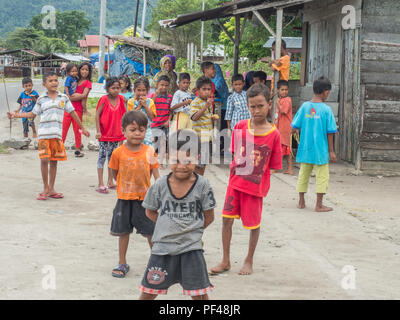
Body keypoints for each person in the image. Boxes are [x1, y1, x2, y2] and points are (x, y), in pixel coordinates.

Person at [210, 83, 282, 276]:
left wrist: (259, 178)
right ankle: (225, 260)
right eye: (252, 106)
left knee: (253, 225)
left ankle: (249, 259)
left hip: (255, 189)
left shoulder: (274, 134)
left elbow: (274, 165)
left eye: (260, 105)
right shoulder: (240, 127)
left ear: (269, 104)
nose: (256, 110)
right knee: (226, 220)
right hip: (235, 184)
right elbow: (235, 155)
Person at [139, 129, 215, 300]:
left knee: (199, 293)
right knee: (149, 290)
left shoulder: (203, 185)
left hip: (191, 248)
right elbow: (150, 211)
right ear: (167, 157)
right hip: (162, 248)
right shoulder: (159, 185)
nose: (181, 166)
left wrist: (191, 230)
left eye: (188, 160)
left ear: (198, 158)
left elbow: (209, 216)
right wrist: (167, 223)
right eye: (176, 160)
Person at [7, 72, 90, 200]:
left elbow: (73, 113)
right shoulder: (41, 99)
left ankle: (52, 189)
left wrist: (83, 128)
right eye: (50, 81)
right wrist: (16, 115)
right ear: (44, 84)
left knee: (54, 162)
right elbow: (32, 114)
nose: (54, 83)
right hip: (44, 135)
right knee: (44, 160)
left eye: (56, 80)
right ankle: (45, 188)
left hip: (57, 136)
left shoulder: (63, 97)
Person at [108, 110, 160, 278]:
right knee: (123, 232)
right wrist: (124, 186)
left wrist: (158, 196)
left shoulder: (150, 151)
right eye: (133, 129)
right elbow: (115, 173)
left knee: (151, 232)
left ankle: (157, 264)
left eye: (141, 130)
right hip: (124, 199)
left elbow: (157, 176)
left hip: (145, 201)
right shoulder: (118, 153)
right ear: (124, 131)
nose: (137, 133)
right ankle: (122, 263)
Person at [291, 77, 337, 212]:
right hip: (321, 150)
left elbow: (294, 126)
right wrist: (331, 151)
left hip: (305, 148)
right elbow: (330, 132)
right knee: (322, 177)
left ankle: (301, 201)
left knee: (303, 174)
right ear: (326, 92)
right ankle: (319, 205)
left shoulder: (305, 107)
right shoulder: (326, 110)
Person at [95, 77, 126, 194]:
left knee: (112, 158)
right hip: (104, 134)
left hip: (115, 134)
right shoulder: (103, 99)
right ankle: (100, 183)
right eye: (113, 88)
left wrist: (123, 131)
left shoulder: (121, 99)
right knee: (102, 157)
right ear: (108, 88)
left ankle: (110, 181)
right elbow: (97, 115)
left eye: (118, 88)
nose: (116, 90)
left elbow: (124, 116)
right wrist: (98, 131)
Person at [62, 62, 93, 157]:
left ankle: (78, 149)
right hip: (67, 108)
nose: (84, 71)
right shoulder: (75, 79)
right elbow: (67, 89)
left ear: (89, 72)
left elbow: (83, 96)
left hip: (78, 109)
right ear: (79, 70)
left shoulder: (88, 83)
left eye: (87, 70)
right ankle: (59, 147)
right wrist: (68, 97)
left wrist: (69, 97)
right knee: (64, 128)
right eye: (82, 69)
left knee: (78, 130)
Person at [190, 76, 219, 176]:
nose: (206, 92)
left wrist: (212, 117)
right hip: (198, 138)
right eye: (204, 89)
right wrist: (206, 106)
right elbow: (194, 117)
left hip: (207, 137)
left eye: (208, 89)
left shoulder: (209, 102)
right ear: (198, 90)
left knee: (203, 162)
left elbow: (206, 116)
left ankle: (200, 181)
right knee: (196, 163)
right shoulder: (195, 102)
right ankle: (193, 182)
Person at [127, 77, 157, 146]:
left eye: (143, 90)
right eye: (139, 90)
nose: (141, 93)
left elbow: (152, 117)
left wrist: (146, 106)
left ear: (147, 91)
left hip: (147, 131)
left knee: (147, 151)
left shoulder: (150, 102)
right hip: (133, 130)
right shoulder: (131, 101)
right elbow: (130, 117)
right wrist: (139, 106)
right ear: (134, 90)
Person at [150, 75, 173, 165]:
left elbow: (171, 111)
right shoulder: (153, 96)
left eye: (166, 85)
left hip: (164, 124)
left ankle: (161, 162)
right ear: (157, 85)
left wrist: (168, 120)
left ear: (169, 86)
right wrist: (155, 95)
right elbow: (150, 105)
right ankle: (152, 160)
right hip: (154, 123)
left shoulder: (170, 97)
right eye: (161, 85)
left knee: (163, 143)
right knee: (154, 143)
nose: (163, 87)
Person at [275, 80, 294, 175]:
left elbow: (283, 111)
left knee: (284, 148)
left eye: (286, 90)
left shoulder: (287, 100)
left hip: (285, 128)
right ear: (278, 90)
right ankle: (289, 168)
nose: (284, 92)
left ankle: (277, 167)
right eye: (282, 90)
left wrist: (276, 101)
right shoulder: (280, 100)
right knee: (285, 148)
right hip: (279, 127)